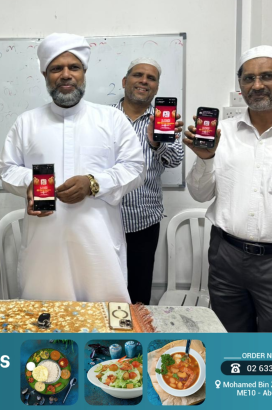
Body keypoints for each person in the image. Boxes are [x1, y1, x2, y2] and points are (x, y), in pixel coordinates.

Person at [0, 33, 145, 303]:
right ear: (45, 74)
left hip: (99, 252)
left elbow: (135, 168)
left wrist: (94, 183)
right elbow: (6, 169)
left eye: (73, 67)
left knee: (102, 323)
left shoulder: (112, 119)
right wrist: (30, 182)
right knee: (44, 323)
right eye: (56, 68)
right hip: (44, 252)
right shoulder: (27, 122)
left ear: (84, 72)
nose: (66, 75)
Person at [185, 45, 272, 332]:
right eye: (248, 78)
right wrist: (205, 158)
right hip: (226, 256)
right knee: (230, 337)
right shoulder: (223, 132)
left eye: (267, 76)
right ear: (240, 84)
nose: (257, 85)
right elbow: (200, 195)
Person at [113, 58, 184, 304]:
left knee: (138, 294)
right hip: (105, 219)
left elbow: (175, 160)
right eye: (138, 75)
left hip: (144, 221)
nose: (144, 81)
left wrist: (157, 143)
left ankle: (136, 330)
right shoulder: (104, 117)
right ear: (125, 81)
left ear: (156, 87)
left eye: (151, 78)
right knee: (104, 290)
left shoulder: (164, 121)